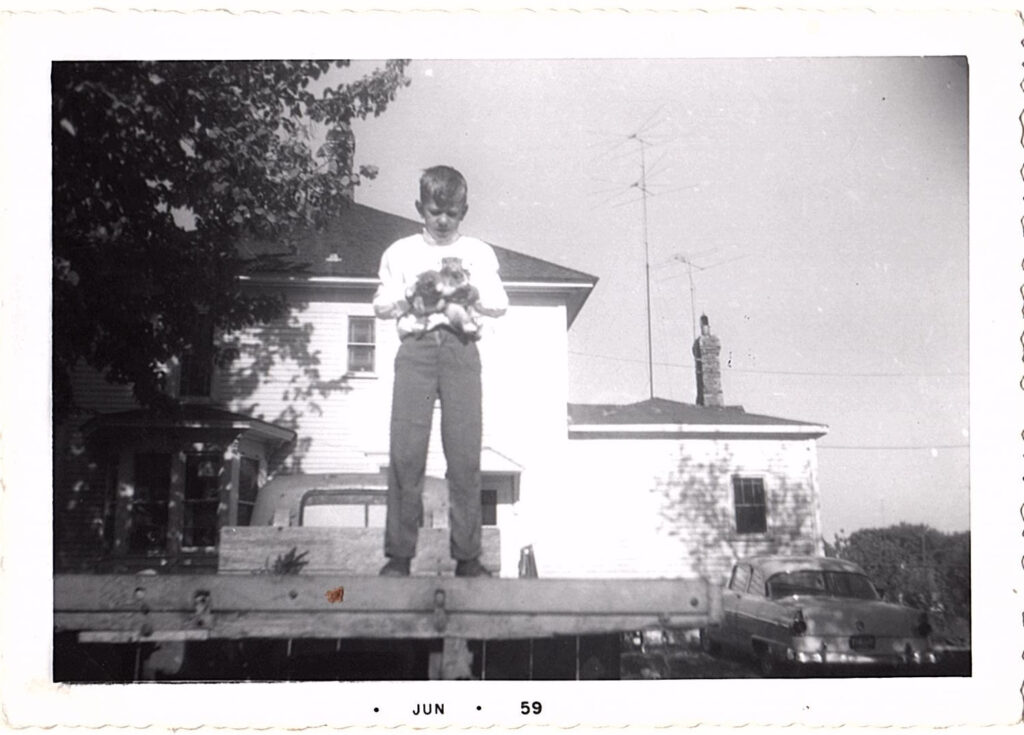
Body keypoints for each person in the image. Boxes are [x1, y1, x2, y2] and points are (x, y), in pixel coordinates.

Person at [372, 165, 508, 577]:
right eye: (435, 212)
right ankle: (398, 557)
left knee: (464, 454)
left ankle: (467, 558)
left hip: (460, 349)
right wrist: (412, 292)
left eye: (452, 213)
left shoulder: (479, 253)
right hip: (415, 350)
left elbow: (499, 302)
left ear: (464, 210)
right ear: (420, 208)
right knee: (406, 453)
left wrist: (470, 291)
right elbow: (380, 304)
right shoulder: (400, 252)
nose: (443, 221)